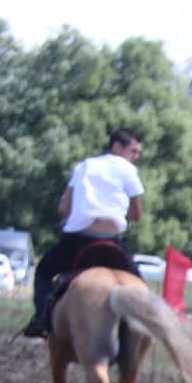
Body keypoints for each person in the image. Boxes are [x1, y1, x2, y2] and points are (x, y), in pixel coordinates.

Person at [21, 127, 145, 338]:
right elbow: (136, 215)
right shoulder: (127, 169)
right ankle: (144, 327)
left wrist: (70, 217)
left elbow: (63, 209)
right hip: (112, 242)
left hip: (77, 240)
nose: (136, 157)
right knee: (138, 282)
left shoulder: (84, 166)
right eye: (133, 151)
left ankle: (42, 318)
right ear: (117, 146)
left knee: (43, 271)